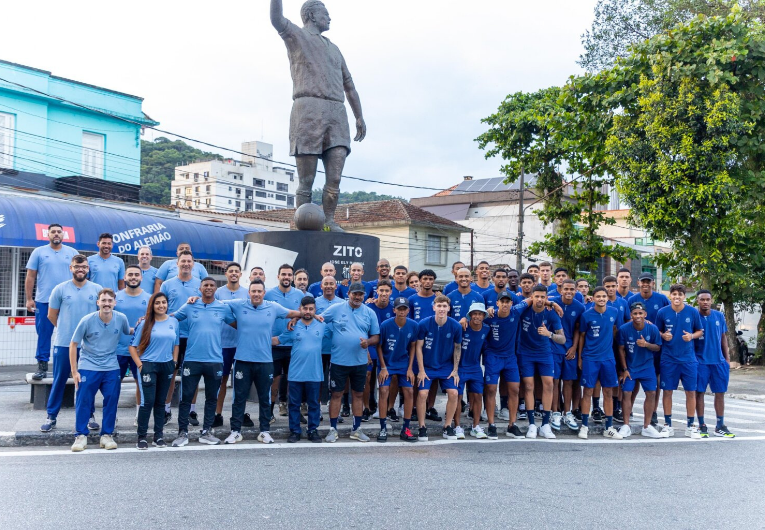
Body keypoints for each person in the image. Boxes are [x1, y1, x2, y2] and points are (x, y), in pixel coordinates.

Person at [270, 0, 366, 232]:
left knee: (334, 178)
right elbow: (276, 19)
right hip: (308, 110)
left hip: (337, 112)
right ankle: (301, 223)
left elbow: (349, 85)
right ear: (312, 15)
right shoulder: (297, 36)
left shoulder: (334, 49)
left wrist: (359, 116)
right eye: (326, 13)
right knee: (307, 179)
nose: (330, 18)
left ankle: (329, 220)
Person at [221, 279, 301, 445]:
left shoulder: (273, 307)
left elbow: (297, 313)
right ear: (249, 293)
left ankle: (264, 431)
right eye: (253, 291)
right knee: (239, 398)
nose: (256, 294)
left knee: (265, 397)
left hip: (265, 361)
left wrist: (296, 319)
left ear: (264, 293)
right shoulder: (239, 304)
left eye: (259, 291)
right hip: (242, 360)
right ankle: (235, 431)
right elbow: (216, 302)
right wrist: (194, 299)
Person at [41, 255, 102, 433]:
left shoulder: (97, 289)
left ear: (88, 268)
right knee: (59, 380)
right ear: (71, 268)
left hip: (89, 346)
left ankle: (90, 415)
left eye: (83, 266)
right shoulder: (60, 289)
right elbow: (52, 316)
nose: (80, 269)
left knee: (86, 382)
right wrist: (66, 331)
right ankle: (51, 417)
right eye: (77, 266)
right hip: (64, 343)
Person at [171, 278, 235, 447]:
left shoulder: (222, 308)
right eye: (205, 285)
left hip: (214, 360)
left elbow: (238, 324)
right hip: (192, 359)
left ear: (216, 288)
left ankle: (206, 431)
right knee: (186, 397)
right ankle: (182, 432)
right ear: (199, 289)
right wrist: (149, 318)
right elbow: (171, 318)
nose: (208, 288)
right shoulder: (190, 306)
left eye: (211, 285)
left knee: (211, 398)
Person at [69, 288, 132, 452]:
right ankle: (81, 436)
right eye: (103, 300)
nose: (106, 303)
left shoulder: (121, 319)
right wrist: (75, 372)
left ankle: (107, 435)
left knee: (112, 399)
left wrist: (144, 323)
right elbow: (73, 344)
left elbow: (129, 331)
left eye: (110, 301)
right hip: (88, 366)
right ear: (98, 303)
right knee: (84, 401)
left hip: (111, 366)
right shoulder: (87, 320)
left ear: (114, 303)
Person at [321, 282, 380, 443]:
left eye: (360, 294)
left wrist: (367, 342)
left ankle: (356, 429)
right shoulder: (336, 308)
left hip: (359, 362)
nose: (357, 297)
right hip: (338, 361)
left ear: (364, 296)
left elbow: (376, 336)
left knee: (358, 394)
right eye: (354, 294)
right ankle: (332, 429)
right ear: (348, 293)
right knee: (336, 394)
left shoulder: (369, 313)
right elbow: (319, 320)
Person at [25, 223, 78, 380]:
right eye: (53, 232)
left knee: (70, 334)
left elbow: (80, 274)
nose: (56, 234)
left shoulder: (72, 253)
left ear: (63, 235)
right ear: (47, 235)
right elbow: (30, 276)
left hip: (68, 301)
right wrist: (29, 299)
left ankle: (70, 367)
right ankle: (42, 367)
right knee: (44, 334)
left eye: (59, 232)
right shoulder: (39, 252)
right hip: (44, 301)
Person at [273, 296, 327, 443]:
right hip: (295, 373)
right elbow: (278, 340)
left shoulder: (322, 325)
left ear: (315, 310)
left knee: (314, 404)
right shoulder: (293, 326)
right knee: (294, 404)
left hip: (315, 373)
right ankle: (295, 431)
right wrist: (257, 339)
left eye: (311, 309)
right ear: (300, 309)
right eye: (305, 308)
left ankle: (313, 430)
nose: (308, 311)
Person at [130, 292, 180, 449]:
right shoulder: (145, 323)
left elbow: (176, 343)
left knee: (161, 402)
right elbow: (132, 347)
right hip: (148, 365)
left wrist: (174, 361)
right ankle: (142, 437)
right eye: (157, 303)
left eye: (164, 302)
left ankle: (158, 436)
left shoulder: (173, 321)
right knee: (147, 401)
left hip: (166, 365)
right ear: (152, 305)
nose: (161, 305)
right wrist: (140, 365)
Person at [656, 283, 704, 438]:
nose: (677, 297)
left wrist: (691, 336)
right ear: (670, 295)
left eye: (680, 294)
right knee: (667, 391)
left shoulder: (692, 312)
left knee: (691, 392)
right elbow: (657, 330)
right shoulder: (662, 312)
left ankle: (691, 425)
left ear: (684, 296)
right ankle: (667, 425)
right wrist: (663, 335)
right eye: (674, 294)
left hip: (688, 359)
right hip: (668, 359)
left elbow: (699, 331)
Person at [160, 251, 202, 424]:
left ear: (193, 264)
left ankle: (191, 411)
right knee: (171, 373)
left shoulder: (200, 284)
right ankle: (166, 409)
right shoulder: (167, 284)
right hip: (173, 336)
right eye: (183, 261)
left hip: (194, 335)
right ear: (177, 263)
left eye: (189, 261)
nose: (186, 264)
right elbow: (160, 308)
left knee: (193, 375)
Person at [518, 285, 565, 439]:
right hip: (526, 353)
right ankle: (532, 424)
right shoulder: (525, 309)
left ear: (546, 298)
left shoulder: (551, 314)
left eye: (542, 297)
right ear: (532, 296)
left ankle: (545, 424)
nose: (539, 299)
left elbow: (562, 338)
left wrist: (549, 333)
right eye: (536, 296)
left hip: (545, 353)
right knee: (529, 386)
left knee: (549, 384)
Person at [483, 292, 532, 439]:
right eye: (502, 302)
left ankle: (512, 424)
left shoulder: (516, 312)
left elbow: (530, 299)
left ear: (511, 303)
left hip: (510, 357)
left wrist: (551, 303)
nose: (505, 304)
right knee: (491, 389)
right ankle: (491, 425)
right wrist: (487, 310)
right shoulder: (489, 317)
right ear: (497, 303)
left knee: (515, 389)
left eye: (507, 302)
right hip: (493, 356)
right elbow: (473, 318)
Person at [577, 287, 623, 440]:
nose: (602, 299)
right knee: (588, 391)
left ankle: (609, 427)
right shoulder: (586, 315)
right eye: (598, 296)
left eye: (604, 296)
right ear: (594, 298)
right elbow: (582, 336)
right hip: (590, 358)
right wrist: (580, 357)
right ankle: (584, 425)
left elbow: (615, 330)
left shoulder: (613, 312)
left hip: (608, 358)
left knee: (608, 392)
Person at [414, 295, 462, 441]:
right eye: (439, 306)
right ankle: (422, 427)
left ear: (449, 308)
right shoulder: (424, 324)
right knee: (422, 394)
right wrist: (421, 370)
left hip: (446, 366)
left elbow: (457, 348)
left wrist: (455, 370)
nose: (441, 309)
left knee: (454, 393)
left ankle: (447, 427)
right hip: (428, 366)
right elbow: (418, 347)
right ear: (434, 307)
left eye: (444, 306)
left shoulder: (455, 326)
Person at [617, 302, 667, 439]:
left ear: (645, 314)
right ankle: (626, 425)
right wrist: (624, 369)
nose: (638, 316)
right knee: (626, 393)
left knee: (651, 393)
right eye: (635, 313)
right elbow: (620, 349)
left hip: (647, 367)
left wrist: (646, 344)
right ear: (631, 315)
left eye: (640, 313)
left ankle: (647, 426)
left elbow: (658, 347)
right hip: (630, 368)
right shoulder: (624, 329)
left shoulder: (653, 329)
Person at [629, 272, 670, 426]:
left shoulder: (661, 299)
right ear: (638, 283)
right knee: (634, 379)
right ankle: (629, 409)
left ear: (653, 283)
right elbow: (628, 320)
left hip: (655, 346)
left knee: (655, 381)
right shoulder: (632, 300)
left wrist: (663, 334)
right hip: (637, 345)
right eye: (643, 282)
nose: (645, 284)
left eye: (648, 282)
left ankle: (652, 412)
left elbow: (669, 317)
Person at [212, 263, 249, 429]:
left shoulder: (247, 293)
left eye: (236, 271)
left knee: (241, 382)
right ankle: (217, 414)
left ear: (240, 274)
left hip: (241, 343)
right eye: (230, 271)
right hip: (223, 343)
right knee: (222, 380)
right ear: (226, 274)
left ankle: (239, 414)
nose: (233, 274)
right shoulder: (218, 293)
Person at [265, 264, 305, 418]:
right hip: (274, 344)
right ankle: (269, 411)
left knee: (293, 380)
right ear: (278, 276)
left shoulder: (299, 295)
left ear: (292, 277)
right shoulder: (269, 294)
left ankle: (294, 411)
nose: (286, 277)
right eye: (284, 274)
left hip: (294, 344)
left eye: (289, 274)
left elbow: (304, 312)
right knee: (274, 380)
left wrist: (295, 318)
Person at [377, 297, 419, 442]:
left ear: (408, 310)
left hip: (403, 364)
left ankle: (406, 428)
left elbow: (413, 346)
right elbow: (379, 346)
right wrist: (383, 367)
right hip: (387, 364)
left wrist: (410, 368)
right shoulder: (385, 325)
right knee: (383, 390)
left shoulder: (413, 325)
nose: (402, 311)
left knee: (409, 390)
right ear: (394, 310)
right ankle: (382, 428)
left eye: (404, 309)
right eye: (399, 309)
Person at [694, 290, 735, 438]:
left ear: (711, 301)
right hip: (700, 362)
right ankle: (701, 425)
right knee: (699, 393)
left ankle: (720, 425)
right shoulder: (694, 316)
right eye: (702, 300)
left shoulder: (719, 315)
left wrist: (727, 358)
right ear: (697, 301)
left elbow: (723, 337)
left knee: (720, 393)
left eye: (707, 300)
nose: (705, 302)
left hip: (718, 362)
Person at [115, 265, 151, 426]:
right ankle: (112, 415)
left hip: (141, 351)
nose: (133, 277)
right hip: (118, 349)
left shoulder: (149, 299)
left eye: (137, 274)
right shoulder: (115, 297)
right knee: (114, 384)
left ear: (141, 277)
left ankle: (139, 416)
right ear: (125, 277)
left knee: (141, 384)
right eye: (130, 274)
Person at [547, 279, 584, 432]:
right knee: (555, 381)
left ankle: (567, 412)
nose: (569, 292)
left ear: (576, 290)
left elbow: (577, 330)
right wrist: (551, 304)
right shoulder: (552, 301)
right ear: (560, 289)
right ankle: (555, 412)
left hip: (569, 349)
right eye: (566, 289)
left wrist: (574, 347)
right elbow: (540, 301)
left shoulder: (579, 307)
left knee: (568, 382)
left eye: (572, 289)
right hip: (554, 347)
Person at [456, 303, 491, 439]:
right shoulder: (462, 327)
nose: (477, 316)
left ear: (483, 316)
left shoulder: (486, 329)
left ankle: (475, 426)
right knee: (457, 397)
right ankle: (457, 426)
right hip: (460, 367)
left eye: (480, 314)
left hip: (475, 368)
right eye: (474, 314)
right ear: (470, 315)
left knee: (477, 396)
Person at [364, 280, 394, 420]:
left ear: (391, 293)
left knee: (389, 378)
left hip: (387, 348)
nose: (383, 293)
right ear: (377, 292)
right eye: (381, 291)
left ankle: (389, 408)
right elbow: (362, 329)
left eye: (386, 291)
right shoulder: (368, 306)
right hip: (370, 347)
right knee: (367, 376)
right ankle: (366, 408)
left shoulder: (394, 308)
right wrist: (366, 351)